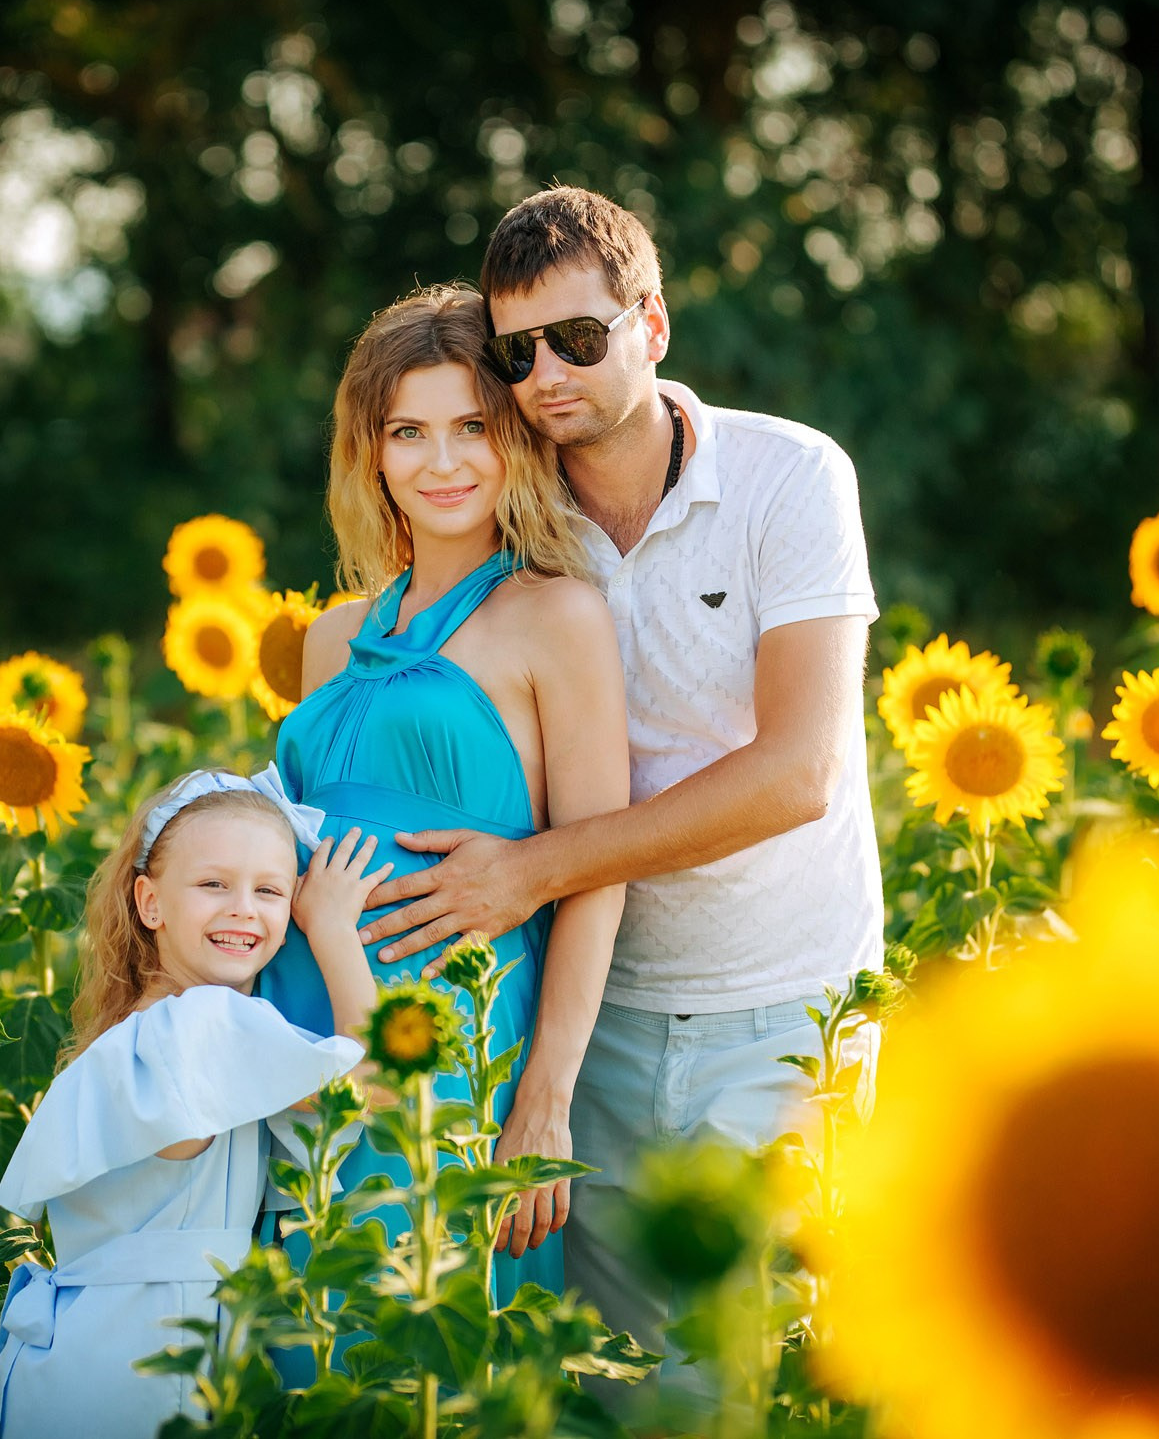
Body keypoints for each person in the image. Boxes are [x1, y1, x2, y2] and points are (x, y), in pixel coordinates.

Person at [360, 187, 885, 1412]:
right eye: (517, 351)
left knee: (730, 1378)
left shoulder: (788, 477)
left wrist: (531, 866)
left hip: (778, 1006)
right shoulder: (508, 503)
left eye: (579, 338)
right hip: (582, 1005)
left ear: (652, 323)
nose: (544, 374)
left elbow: (794, 772)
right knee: (597, 1380)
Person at [254, 283, 630, 1338]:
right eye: (408, 431)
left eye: (471, 425)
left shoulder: (554, 615)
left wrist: (544, 1098)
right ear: (370, 452)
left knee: (444, 1350)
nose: (443, 460)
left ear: (512, 433)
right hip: (303, 1032)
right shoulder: (330, 638)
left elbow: (595, 865)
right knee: (303, 1353)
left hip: (464, 1052)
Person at [0, 768, 388, 1439]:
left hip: (87, 1355)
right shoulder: (198, 1026)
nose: (243, 909)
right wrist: (336, 929)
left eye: (270, 891)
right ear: (150, 903)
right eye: (212, 884)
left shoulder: (141, 1026)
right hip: (146, 1369)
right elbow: (375, 1086)